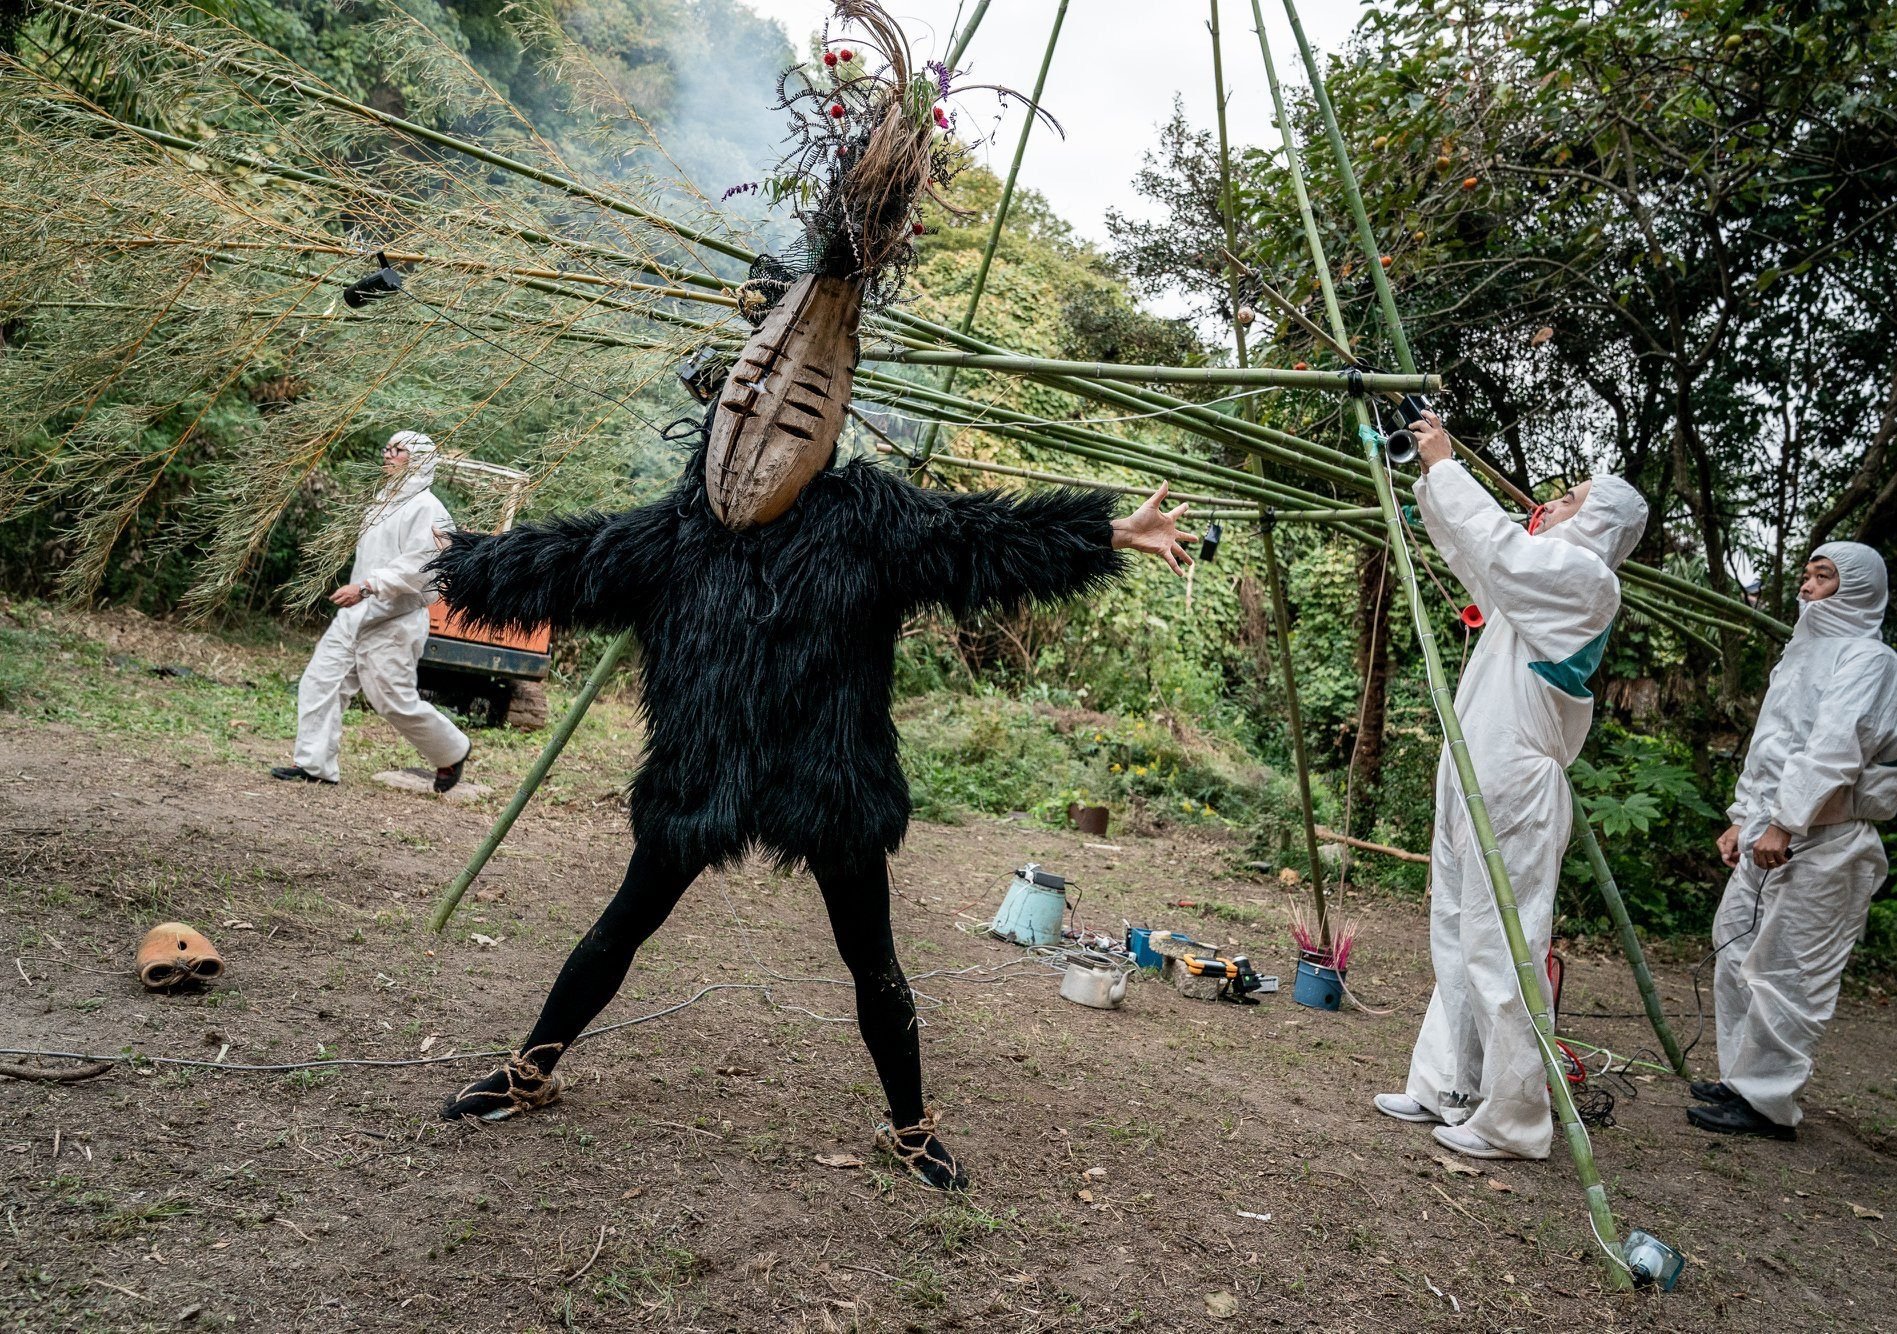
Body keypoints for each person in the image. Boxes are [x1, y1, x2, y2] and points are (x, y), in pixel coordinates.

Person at [425, 438, 1193, 1190]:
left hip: (830, 782)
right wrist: (463, 558)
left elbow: (979, 539)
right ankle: (530, 1071)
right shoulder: (677, 532)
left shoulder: (866, 520)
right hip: (703, 777)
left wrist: (1110, 532)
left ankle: (910, 1125)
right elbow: (566, 561)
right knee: (620, 926)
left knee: (872, 959)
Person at [1373, 413, 1650, 1161]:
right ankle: (1448, 1086)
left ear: (1598, 523)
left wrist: (1447, 467)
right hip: (1474, 770)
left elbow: (1499, 551)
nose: (1553, 502)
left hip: (1517, 784)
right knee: (1458, 936)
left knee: (1503, 948)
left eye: (1572, 499)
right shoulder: (1539, 579)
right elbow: (1479, 559)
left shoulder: (1587, 581)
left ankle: (1515, 1119)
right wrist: (1433, 481)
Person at [1691, 543, 1897, 1139]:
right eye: (1807, 575)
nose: (1808, 587)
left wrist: (1787, 822)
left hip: (1826, 839)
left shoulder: (1871, 661)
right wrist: (1745, 817)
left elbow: (1833, 748)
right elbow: (1773, 744)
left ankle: (1768, 1103)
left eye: (1825, 577)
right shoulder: (1799, 655)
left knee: (1790, 970)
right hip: (1771, 832)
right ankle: (1738, 1079)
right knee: (1735, 950)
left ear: (1859, 589)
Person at [271, 431, 472, 792]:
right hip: (356, 615)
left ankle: (451, 751)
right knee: (321, 682)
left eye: (399, 450)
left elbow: (422, 566)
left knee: (392, 700)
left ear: (420, 459)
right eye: (388, 448)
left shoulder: (429, 509)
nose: (389, 454)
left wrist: (367, 586)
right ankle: (314, 764)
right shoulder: (382, 502)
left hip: (394, 619)